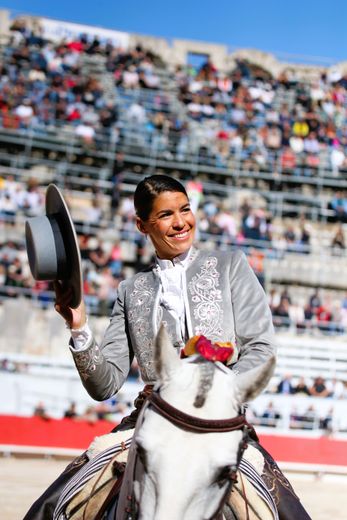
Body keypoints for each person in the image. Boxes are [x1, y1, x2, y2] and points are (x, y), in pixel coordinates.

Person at [24, 175, 310, 519]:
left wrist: (219, 400)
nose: (180, 222)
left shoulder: (231, 266)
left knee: (289, 513)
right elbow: (105, 385)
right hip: (150, 423)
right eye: (165, 215)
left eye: (185, 210)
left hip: (219, 424)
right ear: (142, 225)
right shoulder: (131, 290)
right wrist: (79, 326)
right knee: (50, 507)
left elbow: (261, 347)